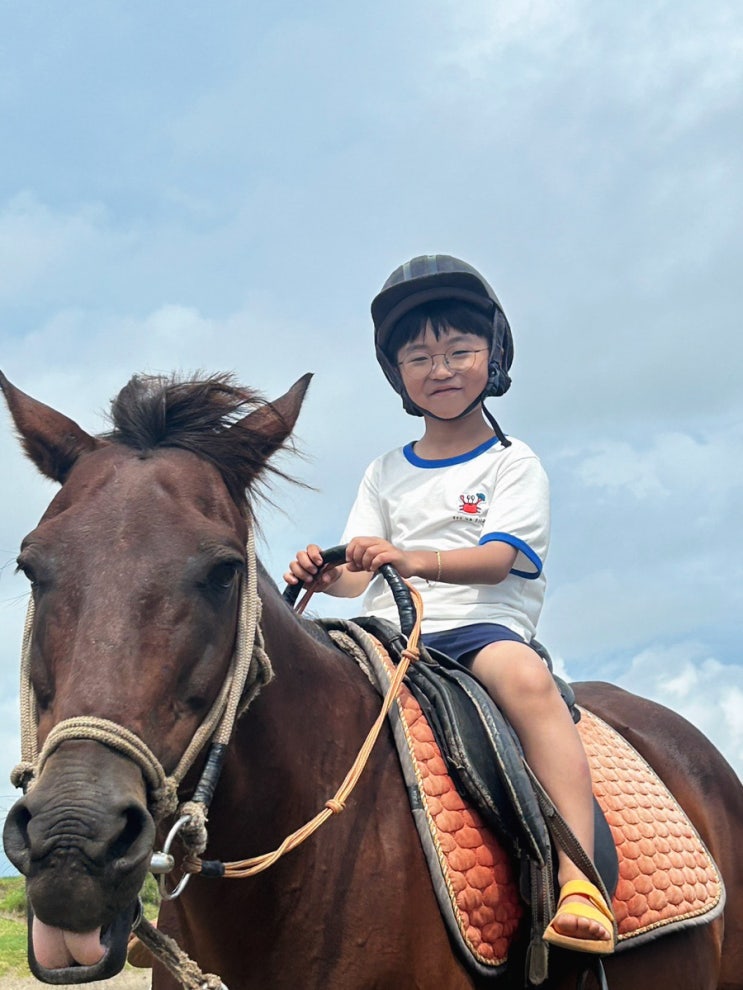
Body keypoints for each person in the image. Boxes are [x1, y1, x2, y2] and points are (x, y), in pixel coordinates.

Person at [284, 254, 615, 954]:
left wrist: (412, 560)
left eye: (459, 350)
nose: (440, 368)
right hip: (383, 635)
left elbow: (500, 560)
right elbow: (357, 571)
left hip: (476, 630)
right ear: (396, 373)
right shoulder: (385, 470)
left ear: (492, 356)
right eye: (419, 355)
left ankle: (578, 874)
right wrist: (322, 573)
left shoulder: (509, 463)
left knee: (526, 681)